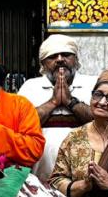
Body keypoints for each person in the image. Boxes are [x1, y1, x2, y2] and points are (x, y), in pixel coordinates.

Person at [18, 34, 95, 181]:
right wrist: (53, 102)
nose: (60, 59)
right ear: (43, 63)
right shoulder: (30, 87)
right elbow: (21, 125)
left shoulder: (93, 84)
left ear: (76, 60)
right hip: (40, 179)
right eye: (52, 56)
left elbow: (101, 122)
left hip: (86, 181)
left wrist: (70, 102)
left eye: (66, 54)